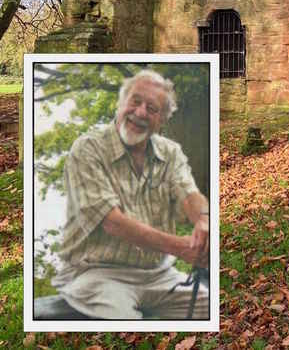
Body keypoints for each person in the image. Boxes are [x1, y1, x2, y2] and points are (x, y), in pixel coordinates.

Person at [50, 69, 210, 320]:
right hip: (96, 274)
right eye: (135, 101)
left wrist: (204, 220)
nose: (141, 112)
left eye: (152, 108)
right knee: (125, 324)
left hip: (158, 274)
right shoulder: (88, 148)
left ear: (161, 121)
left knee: (209, 306)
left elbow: (189, 193)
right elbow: (112, 222)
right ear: (121, 103)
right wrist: (182, 247)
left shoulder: (170, 152)